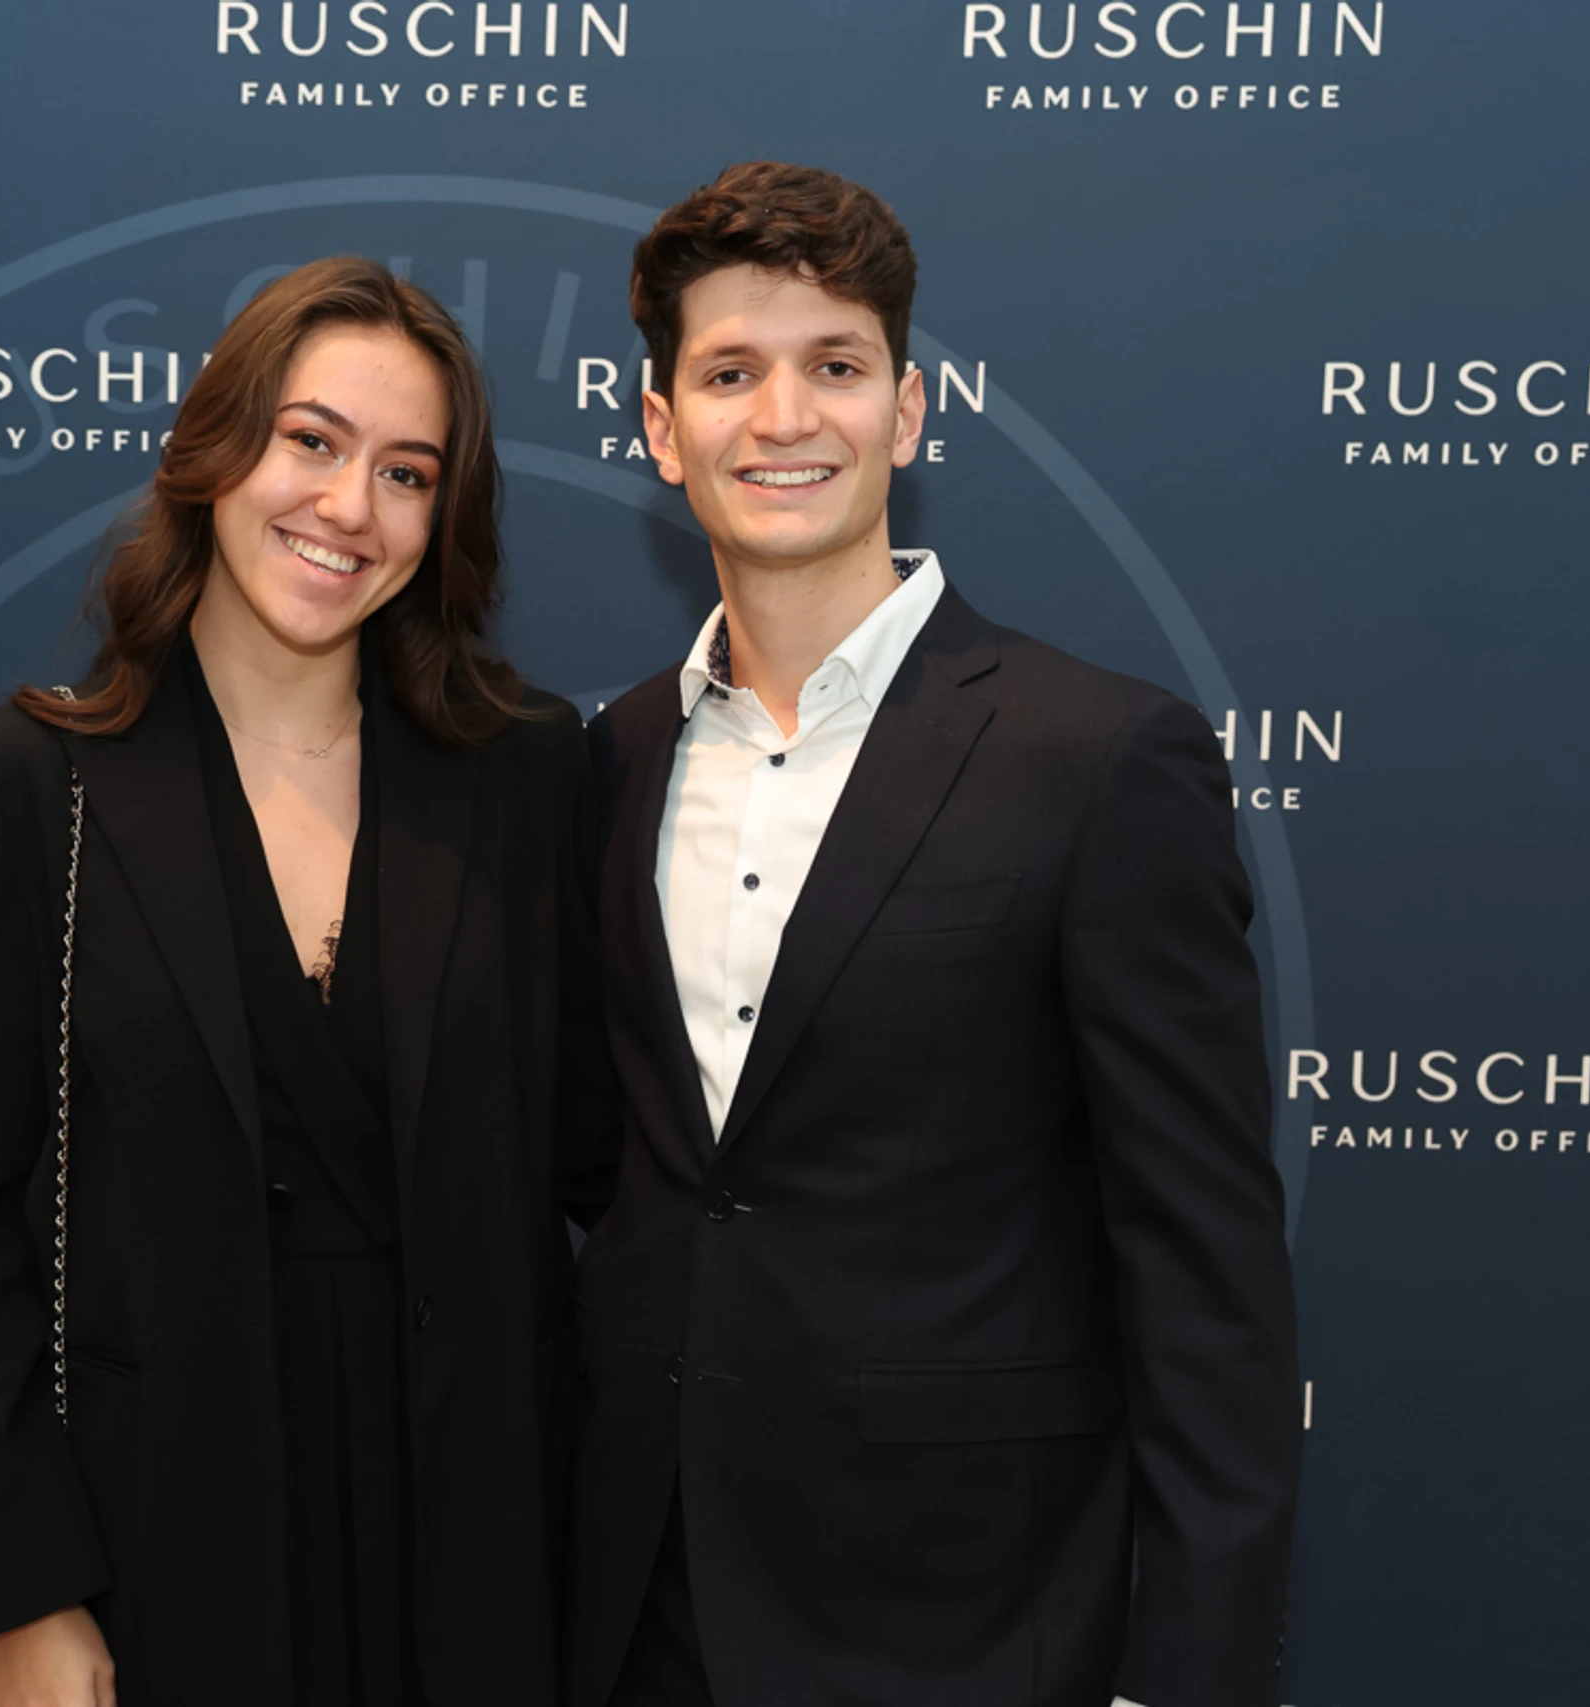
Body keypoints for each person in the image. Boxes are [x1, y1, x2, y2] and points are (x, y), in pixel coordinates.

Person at [567, 163, 1304, 1707]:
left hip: (972, 1623)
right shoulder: (616, 755)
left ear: (905, 413)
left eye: (835, 366)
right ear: (660, 429)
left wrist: (1187, 1674)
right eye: (729, 373)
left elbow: (1204, 1275)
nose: (784, 417)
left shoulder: (1100, 757)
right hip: (645, 1610)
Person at [0, 255, 615, 1707]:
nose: (350, 507)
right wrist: (25, 1585)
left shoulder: (526, 770)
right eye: (312, 442)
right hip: (160, 1532)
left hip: (483, 1536)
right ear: (215, 447)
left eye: (407, 473)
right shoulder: (33, 781)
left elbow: (603, 1161)